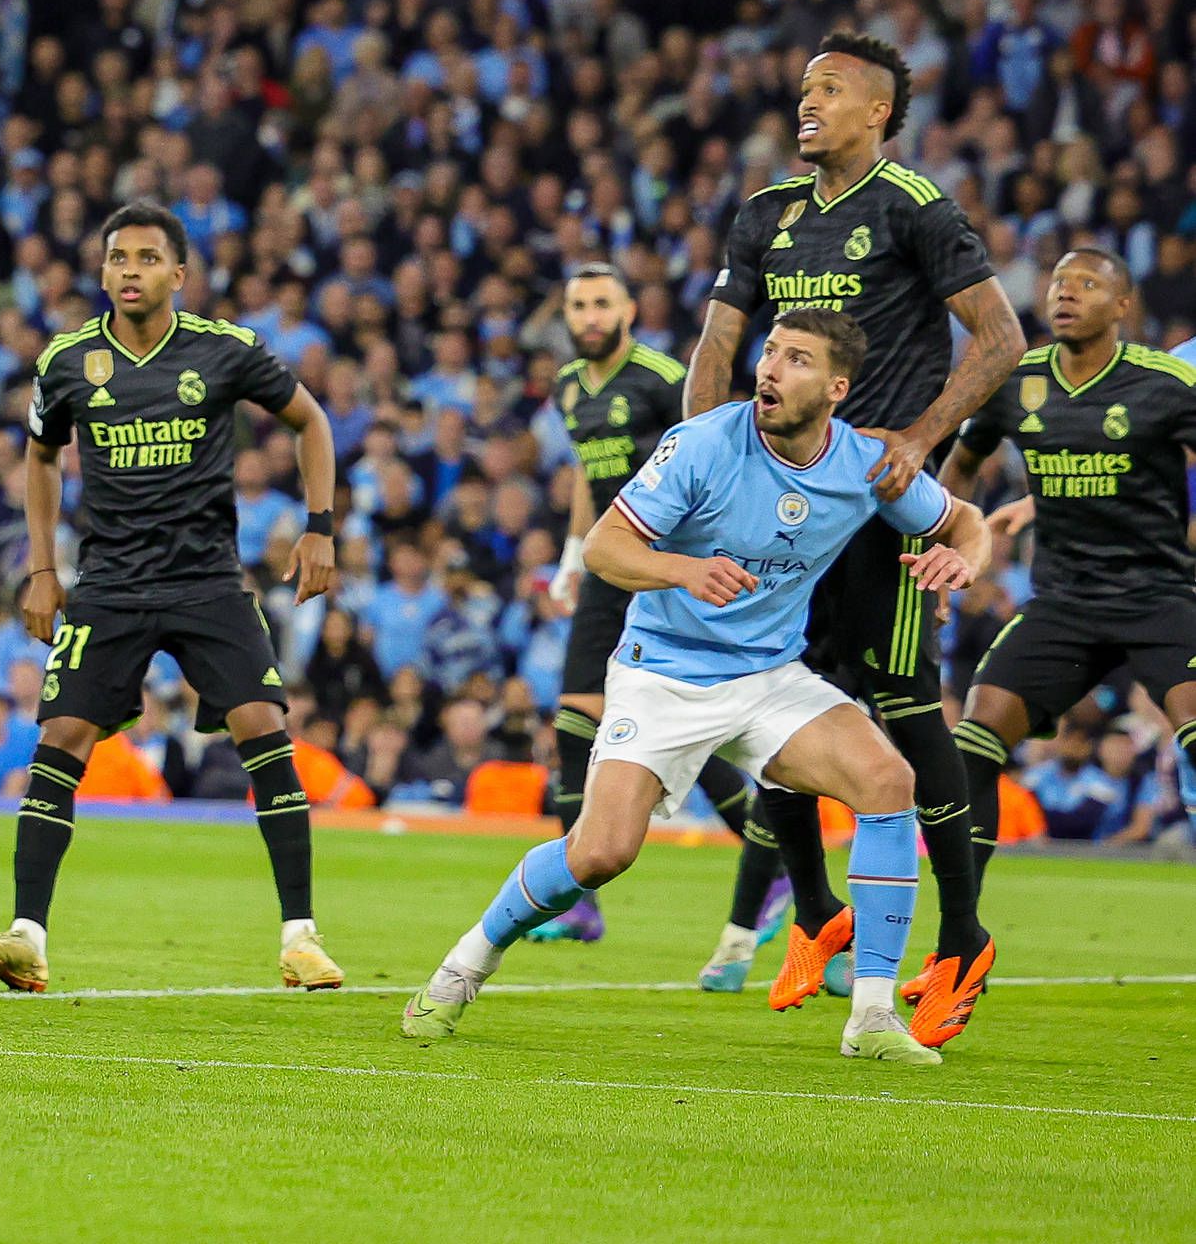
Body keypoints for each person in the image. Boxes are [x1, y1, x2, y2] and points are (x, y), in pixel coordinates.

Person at [404, 309, 993, 1067]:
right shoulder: (703, 442)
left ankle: (873, 1017)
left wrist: (965, 561)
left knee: (887, 780)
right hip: (663, 673)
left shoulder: (864, 464)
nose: (772, 369)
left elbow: (968, 522)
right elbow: (606, 547)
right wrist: (684, 569)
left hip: (768, 678)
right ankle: (463, 967)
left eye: (798, 360)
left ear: (837, 388)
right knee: (602, 852)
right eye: (771, 351)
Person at [684, 31, 1020, 1040]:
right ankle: (818, 912)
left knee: (911, 706)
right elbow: (718, 347)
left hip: (876, 506)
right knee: (761, 696)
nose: (807, 103)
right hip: (781, 504)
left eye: (828, 90)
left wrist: (919, 438)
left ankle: (962, 937)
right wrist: (702, 462)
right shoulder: (766, 216)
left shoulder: (911, 206)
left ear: (878, 111)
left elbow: (1001, 337)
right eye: (802, 89)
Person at [0, 201, 343, 997]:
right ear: (101, 273)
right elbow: (40, 460)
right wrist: (40, 568)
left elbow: (312, 422)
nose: (129, 271)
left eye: (145, 257)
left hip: (207, 582)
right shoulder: (67, 361)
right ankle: (27, 936)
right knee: (61, 734)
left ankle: (301, 937)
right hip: (109, 586)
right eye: (116, 258)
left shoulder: (224, 350)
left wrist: (320, 528)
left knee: (264, 727)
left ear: (179, 273)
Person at [942, 249, 1196, 922]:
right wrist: (946, 551)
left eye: (1088, 284)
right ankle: (960, 937)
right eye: (1058, 283)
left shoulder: (1166, 382)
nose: (1066, 294)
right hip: (1064, 604)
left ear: (1123, 306)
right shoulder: (1014, 381)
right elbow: (961, 466)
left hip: (1160, 597)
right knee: (975, 737)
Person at [534, 262, 762, 953]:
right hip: (609, 562)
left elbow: (714, 457)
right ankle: (577, 899)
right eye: (578, 305)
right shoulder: (569, 387)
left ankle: (769, 863)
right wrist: (574, 554)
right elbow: (587, 470)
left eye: (603, 303)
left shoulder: (664, 379)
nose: (590, 316)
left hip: (665, 563)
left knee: (682, 720)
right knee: (576, 715)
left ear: (629, 309)